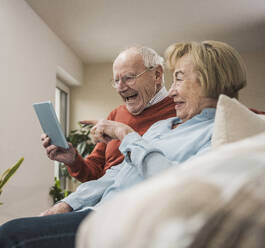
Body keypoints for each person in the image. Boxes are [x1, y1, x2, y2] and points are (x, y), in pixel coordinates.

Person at [0, 40, 247, 248]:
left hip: (125, 220)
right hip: (98, 208)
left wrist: (127, 135)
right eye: (116, 80)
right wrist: (67, 201)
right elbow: (108, 173)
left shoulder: (221, 130)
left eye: (179, 79)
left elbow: (177, 188)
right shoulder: (159, 125)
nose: (172, 92)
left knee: (10, 236)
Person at [45, 46, 176, 182]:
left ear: (157, 75)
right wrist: (72, 160)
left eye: (129, 77)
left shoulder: (180, 110)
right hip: (106, 198)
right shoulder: (116, 114)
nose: (120, 88)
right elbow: (95, 173)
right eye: (116, 81)